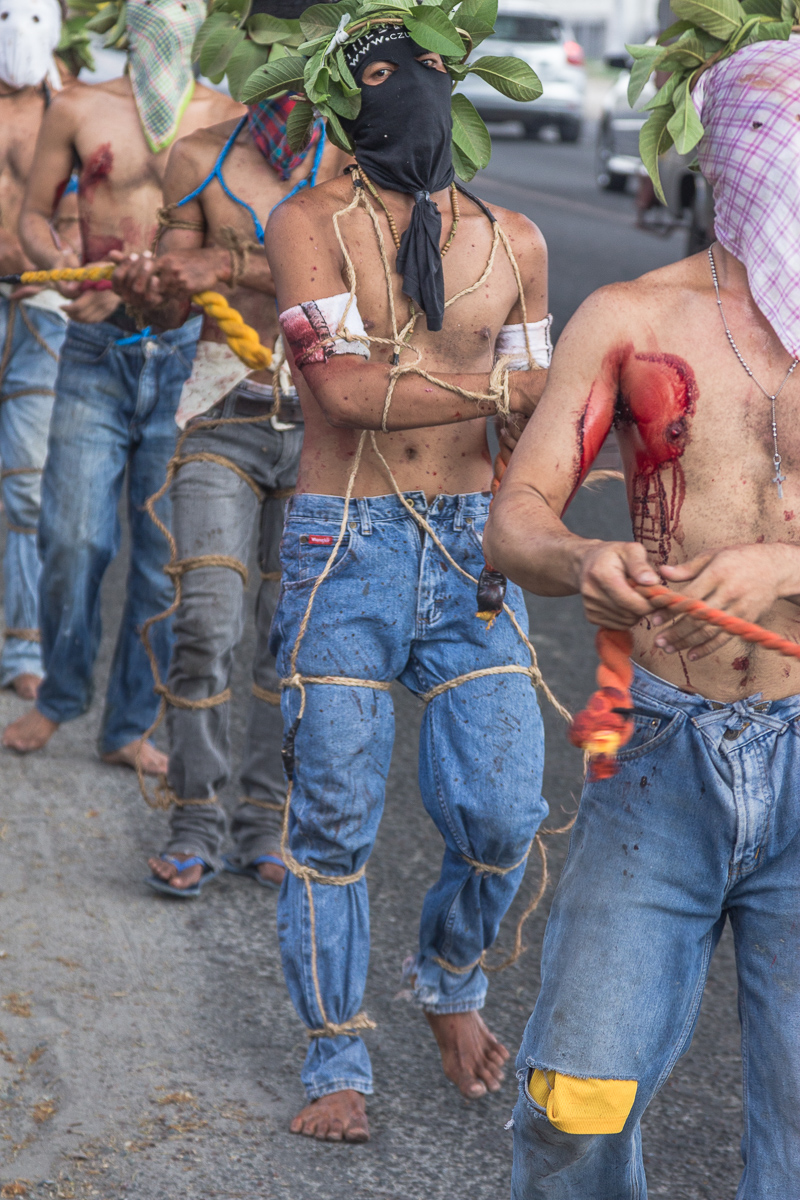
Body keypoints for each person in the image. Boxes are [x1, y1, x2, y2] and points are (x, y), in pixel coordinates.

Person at [483, 32, 800, 1199]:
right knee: (576, 1103)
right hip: (664, 755)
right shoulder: (629, 317)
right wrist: (580, 558)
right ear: (736, 165)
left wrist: (779, 565)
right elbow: (513, 520)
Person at [264, 24, 550, 1143]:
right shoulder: (306, 225)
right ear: (342, 97)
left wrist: (436, 387)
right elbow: (337, 393)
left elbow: (535, 410)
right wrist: (488, 387)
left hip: (471, 545)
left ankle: (449, 978)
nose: (416, 94)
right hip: (345, 546)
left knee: (502, 810)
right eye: (382, 75)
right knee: (333, 818)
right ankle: (334, 1055)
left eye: (432, 72)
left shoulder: (512, 238)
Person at [111, 0, 351, 897]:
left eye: (297, 43)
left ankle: (267, 815)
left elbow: (372, 287)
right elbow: (166, 308)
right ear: (240, 48)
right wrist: (153, 287)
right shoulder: (198, 154)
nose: (280, 59)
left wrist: (232, 265)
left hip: (330, 427)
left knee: (293, 642)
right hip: (223, 415)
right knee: (209, 621)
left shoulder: (361, 155)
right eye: (265, 42)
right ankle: (196, 816)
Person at [2, 0, 242, 773]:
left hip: (184, 353)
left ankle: (129, 725)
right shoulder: (77, 106)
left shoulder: (226, 118)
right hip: (93, 347)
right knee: (73, 536)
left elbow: (238, 233)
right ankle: (60, 696)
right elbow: (38, 219)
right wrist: (73, 273)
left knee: (160, 558)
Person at [0, 0, 76, 701]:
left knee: (25, 483)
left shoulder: (66, 104)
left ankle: (23, 648)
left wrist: (57, 266)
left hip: (38, 308)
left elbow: (85, 210)